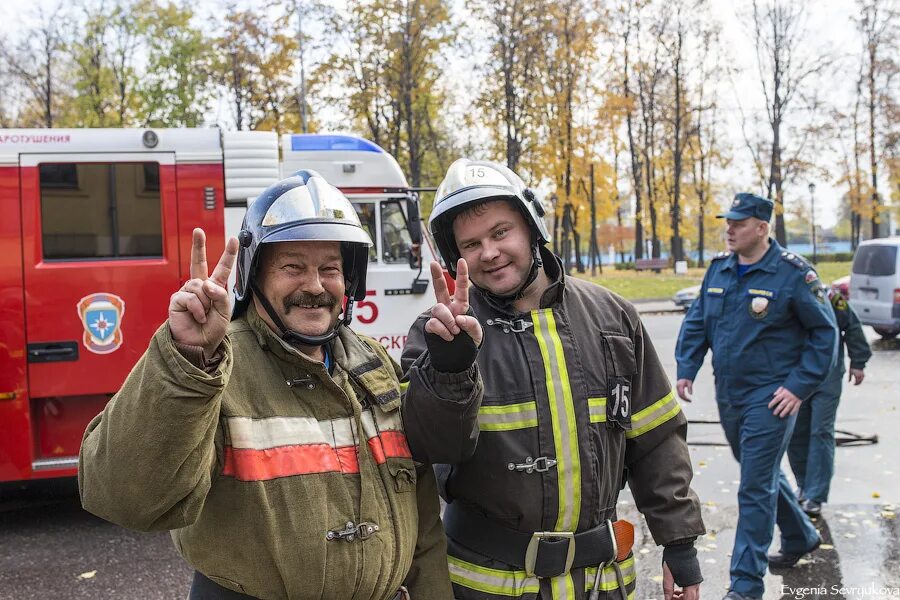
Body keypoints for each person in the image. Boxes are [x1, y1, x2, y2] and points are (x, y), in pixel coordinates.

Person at [79, 171, 460, 600]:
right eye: (292, 267)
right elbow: (126, 499)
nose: (315, 286)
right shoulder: (214, 366)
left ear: (349, 280)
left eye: (329, 269)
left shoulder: (375, 364)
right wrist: (185, 359)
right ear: (254, 276)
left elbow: (423, 520)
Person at [401, 159, 705, 600]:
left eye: (500, 232)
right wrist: (448, 369)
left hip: (602, 583)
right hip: (486, 587)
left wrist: (679, 544)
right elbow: (431, 451)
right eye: (471, 243)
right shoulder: (440, 333)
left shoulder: (613, 317)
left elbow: (656, 439)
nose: (488, 252)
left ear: (531, 226)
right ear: (456, 257)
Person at [675, 192, 838, 600]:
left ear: (762, 228)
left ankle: (746, 584)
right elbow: (697, 322)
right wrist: (686, 368)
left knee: (753, 486)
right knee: (758, 473)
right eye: (727, 221)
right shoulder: (720, 269)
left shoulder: (792, 274)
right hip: (730, 394)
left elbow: (825, 333)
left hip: (772, 396)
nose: (729, 229)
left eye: (738, 222)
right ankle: (801, 534)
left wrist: (799, 387)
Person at [787, 288, 871, 516]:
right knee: (795, 432)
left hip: (827, 375)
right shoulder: (781, 293)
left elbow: (851, 325)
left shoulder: (829, 296)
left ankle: (815, 495)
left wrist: (858, 361)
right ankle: (803, 485)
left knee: (820, 431)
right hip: (794, 377)